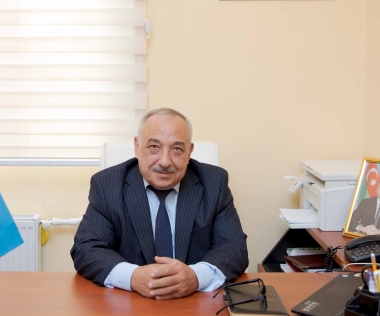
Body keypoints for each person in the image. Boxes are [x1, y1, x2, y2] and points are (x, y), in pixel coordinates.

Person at [71, 108, 248, 299]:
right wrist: (132, 277)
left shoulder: (214, 183)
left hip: (194, 304)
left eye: (177, 149)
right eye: (154, 146)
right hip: (130, 305)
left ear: (189, 152)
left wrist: (196, 276)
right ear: (137, 147)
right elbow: (86, 248)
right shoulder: (108, 185)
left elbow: (234, 248)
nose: (164, 162)